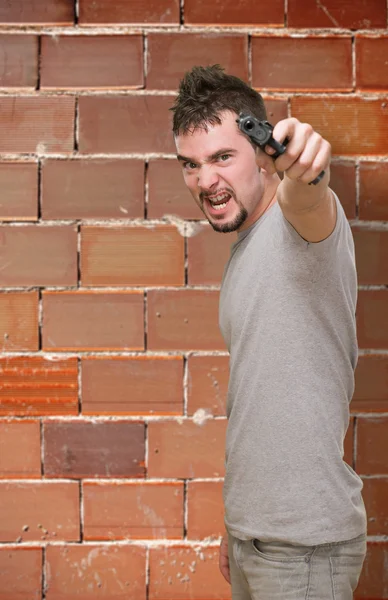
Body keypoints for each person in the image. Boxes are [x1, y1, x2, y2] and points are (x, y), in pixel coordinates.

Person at [170, 65, 367, 599]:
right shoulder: (245, 252)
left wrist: (306, 166)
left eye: (223, 157)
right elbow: (257, 404)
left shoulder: (299, 223)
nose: (205, 181)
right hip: (255, 539)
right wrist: (237, 524)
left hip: (303, 549)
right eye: (191, 164)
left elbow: (308, 192)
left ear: (262, 152)